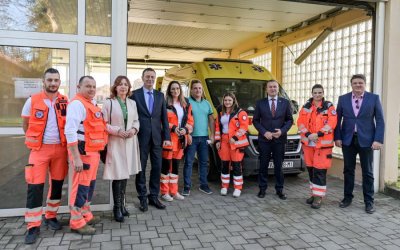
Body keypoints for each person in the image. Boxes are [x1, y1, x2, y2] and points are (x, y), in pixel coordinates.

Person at [21, 68, 68, 244]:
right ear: (44, 81)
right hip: (39, 150)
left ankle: (51, 216)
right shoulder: (32, 100)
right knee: (35, 187)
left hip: (60, 150)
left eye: (56, 80)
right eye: (50, 80)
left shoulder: (65, 100)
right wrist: (33, 141)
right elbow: (25, 124)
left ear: (59, 82)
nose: (53, 83)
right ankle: (32, 226)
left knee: (57, 185)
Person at [334, 74, 385, 214]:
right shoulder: (343, 99)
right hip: (347, 140)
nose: (358, 85)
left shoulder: (373, 98)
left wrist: (378, 139)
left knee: (367, 172)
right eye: (355, 83)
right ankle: (347, 198)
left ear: (365, 84)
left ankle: (369, 202)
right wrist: (337, 137)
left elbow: (380, 120)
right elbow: (337, 120)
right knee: (348, 170)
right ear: (351, 84)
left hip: (367, 140)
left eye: (360, 83)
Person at [65, 76, 107, 234]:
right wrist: (76, 157)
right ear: (79, 87)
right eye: (88, 86)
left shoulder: (92, 104)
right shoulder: (77, 104)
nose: (91, 89)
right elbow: (70, 131)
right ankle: (76, 222)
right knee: (80, 187)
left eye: (94, 86)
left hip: (93, 152)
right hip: (82, 153)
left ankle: (85, 214)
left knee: (89, 186)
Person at [130, 68, 171, 212]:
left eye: (152, 77)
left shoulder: (160, 96)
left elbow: (164, 119)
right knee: (140, 169)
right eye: (147, 76)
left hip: (157, 139)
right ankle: (142, 197)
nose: (150, 79)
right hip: (140, 138)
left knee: (157, 168)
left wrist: (167, 137)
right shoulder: (134, 95)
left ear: (155, 79)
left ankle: (153, 196)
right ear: (142, 77)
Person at [102, 76, 141, 222]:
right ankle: (116, 208)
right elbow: (103, 124)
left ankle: (122, 205)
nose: (123, 87)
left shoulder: (132, 103)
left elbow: (136, 120)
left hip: (130, 141)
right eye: (120, 84)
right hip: (115, 142)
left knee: (125, 175)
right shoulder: (108, 103)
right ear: (115, 87)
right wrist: (117, 130)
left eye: (125, 84)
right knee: (118, 175)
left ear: (129, 87)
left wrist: (134, 130)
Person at [297, 84, 337, 209]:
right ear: (312, 93)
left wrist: (318, 134)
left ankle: (319, 197)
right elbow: (300, 122)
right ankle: (314, 194)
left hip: (322, 146)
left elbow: (332, 123)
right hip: (308, 144)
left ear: (323, 93)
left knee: (320, 171)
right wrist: (308, 134)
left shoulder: (329, 107)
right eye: (315, 92)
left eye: (320, 92)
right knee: (311, 171)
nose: (317, 95)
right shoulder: (306, 107)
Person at [253, 80, 293, 200]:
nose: (273, 89)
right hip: (264, 140)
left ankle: (279, 190)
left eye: (275, 87)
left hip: (279, 140)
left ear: (278, 89)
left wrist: (282, 131)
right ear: (266, 89)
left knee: (278, 166)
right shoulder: (260, 103)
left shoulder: (285, 103)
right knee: (263, 165)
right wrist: (264, 132)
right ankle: (262, 189)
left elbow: (290, 120)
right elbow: (255, 120)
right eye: (270, 87)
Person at [160, 81, 194, 202]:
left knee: (175, 167)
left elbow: (190, 120)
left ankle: (174, 191)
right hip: (168, 139)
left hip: (180, 140)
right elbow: (161, 121)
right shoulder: (164, 104)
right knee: (165, 167)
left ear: (180, 90)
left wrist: (186, 130)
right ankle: (164, 192)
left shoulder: (186, 104)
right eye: (173, 89)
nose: (175, 91)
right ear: (169, 90)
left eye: (177, 88)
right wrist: (173, 128)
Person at [182, 79, 215, 196]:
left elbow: (211, 120)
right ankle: (186, 186)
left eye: (199, 88)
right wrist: (187, 135)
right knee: (189, 162)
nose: (198, 90)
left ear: (202, 90)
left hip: (204, 138)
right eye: (195, 88)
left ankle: (203, 185)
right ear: (191, 90)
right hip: (192, 138)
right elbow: (183, 120)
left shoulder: (207, 103)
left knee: (204, 162)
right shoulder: (187, 102)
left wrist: (212, 134)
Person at [215, 93, 249, 198]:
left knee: (236, 165)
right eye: (225, 100)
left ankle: (237, 188)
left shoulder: (240, 112)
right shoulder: (221, 113)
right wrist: (217, 140)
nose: (227, 102)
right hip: (224, 140)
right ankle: (224, 186)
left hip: (236, 142)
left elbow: (244, 127)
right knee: (224, 164)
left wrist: (235, 137)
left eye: (229, 100)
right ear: (223, 101)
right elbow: (217, 127)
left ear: (234, 101)